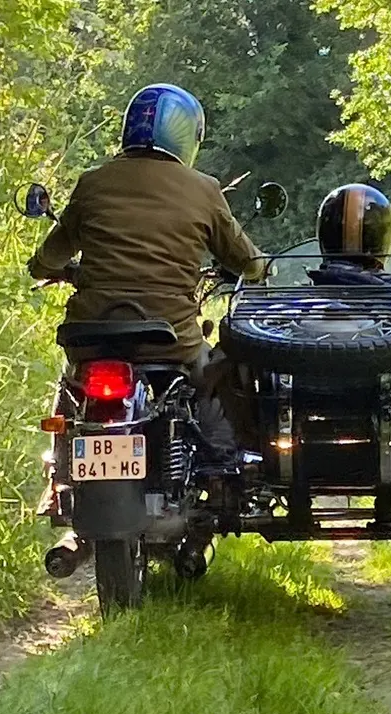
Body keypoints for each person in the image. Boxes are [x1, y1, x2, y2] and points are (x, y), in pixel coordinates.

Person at [26, 83, 264, 459]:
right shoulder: (204, 189)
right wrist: (259, 272)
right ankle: (223, 465)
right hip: (169, 337)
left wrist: (48, 267)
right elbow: (249, 264)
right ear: (188, 136)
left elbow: (49, 259)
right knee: (219, 373)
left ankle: (58, 471)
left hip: (91, 333)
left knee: (71, 387)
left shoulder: (93, 181)